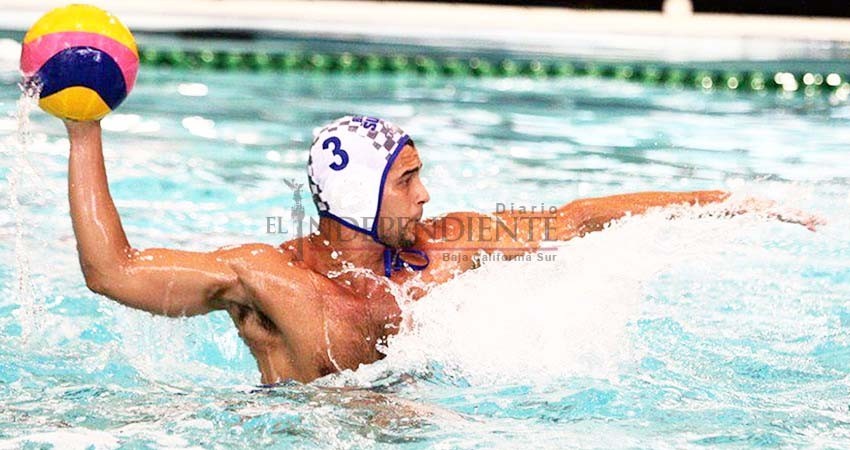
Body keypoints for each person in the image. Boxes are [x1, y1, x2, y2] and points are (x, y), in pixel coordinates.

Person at [65, 115, 821, 384]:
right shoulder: (265, 280)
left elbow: (579, 218)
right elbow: (113, 271)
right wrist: (85, 132)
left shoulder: (444, 249)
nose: (426, 198)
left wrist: (736, 203)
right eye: (409, 180)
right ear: (360, 198)